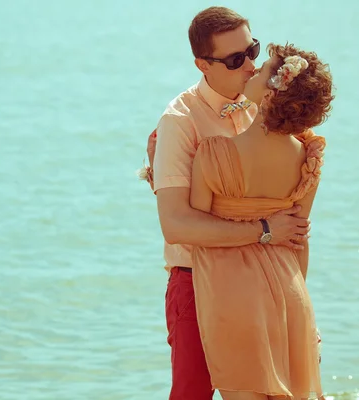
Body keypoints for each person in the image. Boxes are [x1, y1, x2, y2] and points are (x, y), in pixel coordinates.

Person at [138, 7, 312, 399]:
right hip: (195, 279)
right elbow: (176, 225)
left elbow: (295, 220)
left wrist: (302, 314)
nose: (250, 65)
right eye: (235, 60)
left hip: (263, 282)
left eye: (252, 50)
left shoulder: (269, 106)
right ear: (203, 64)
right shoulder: (180, 121)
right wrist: (265, 231)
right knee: (192, 394)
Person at [189, 43, 334, 400]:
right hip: (290, 297)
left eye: (264, 67)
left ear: (272, 95)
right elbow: (299, 241)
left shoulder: (214, 154)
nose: (253, 69)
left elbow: (194, 230)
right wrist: (304, 316)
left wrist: (156, 178)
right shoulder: (308, 159)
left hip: (231, 299)